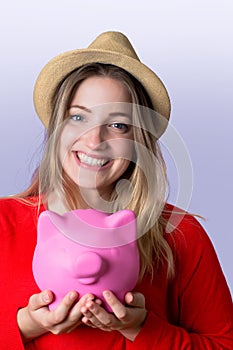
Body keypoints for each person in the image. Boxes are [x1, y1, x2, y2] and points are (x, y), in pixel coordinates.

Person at [0, 31, 232, 350]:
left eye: (118, 125)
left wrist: (143, 329)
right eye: (78, 117)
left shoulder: (181, 235)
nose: (95, 141)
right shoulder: (3, 224)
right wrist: (24, 327)